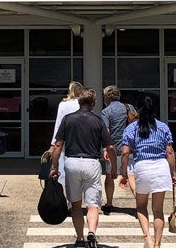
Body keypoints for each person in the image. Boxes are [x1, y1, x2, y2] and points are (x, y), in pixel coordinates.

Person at [49, 89, 115, 248]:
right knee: (93, 204)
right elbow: (110, 147)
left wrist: (53, 166)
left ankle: (79, 238)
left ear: (79, 102)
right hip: (91, 163)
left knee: (76, 204)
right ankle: (91, 231)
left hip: (71, 162)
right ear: (93, 103)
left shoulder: (68, 119)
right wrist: (113, 167)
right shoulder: (98, 121)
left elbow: (58, 145)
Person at [119, 94, 176, 248]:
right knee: (158, 210)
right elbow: (169, 153)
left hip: (142, 167)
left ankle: (148, 238)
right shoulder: (163, 127)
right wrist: (174, 174)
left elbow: (125, 152)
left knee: (141, 207)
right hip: (160, 166)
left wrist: (124, 174)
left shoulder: (131, 128)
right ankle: (158, 244)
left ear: (138, 110)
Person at [99, 85, 135, 213]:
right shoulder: (129, 107)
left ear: (107, 97)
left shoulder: (106, 112)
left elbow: (106, 131)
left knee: (109, 176)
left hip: (113, 149)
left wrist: (105, 149)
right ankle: (140, 203)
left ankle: (109, 203)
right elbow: (136, 124)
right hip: (129, 148)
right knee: (131, 175)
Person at [49, 80, 83, 185]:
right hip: (81, 138)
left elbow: (58, 124)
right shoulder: (83, 104)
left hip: (66, 138)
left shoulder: (64, 104)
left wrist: (53, 144)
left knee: (63, 167)